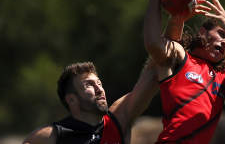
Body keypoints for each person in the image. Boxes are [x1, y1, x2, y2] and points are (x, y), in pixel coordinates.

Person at [143, 0, 225, 143]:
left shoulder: (224, 77)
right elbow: (155, 43)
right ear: (203, 32)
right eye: (222, 34)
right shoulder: (182, 58)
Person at [23, 61, 158, 144]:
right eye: (89, 85)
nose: (99, 89)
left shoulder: (118, 121)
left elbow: (153, 74)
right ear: (71, 99)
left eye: (99, 83)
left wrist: (177, 20)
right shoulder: (52, 136)